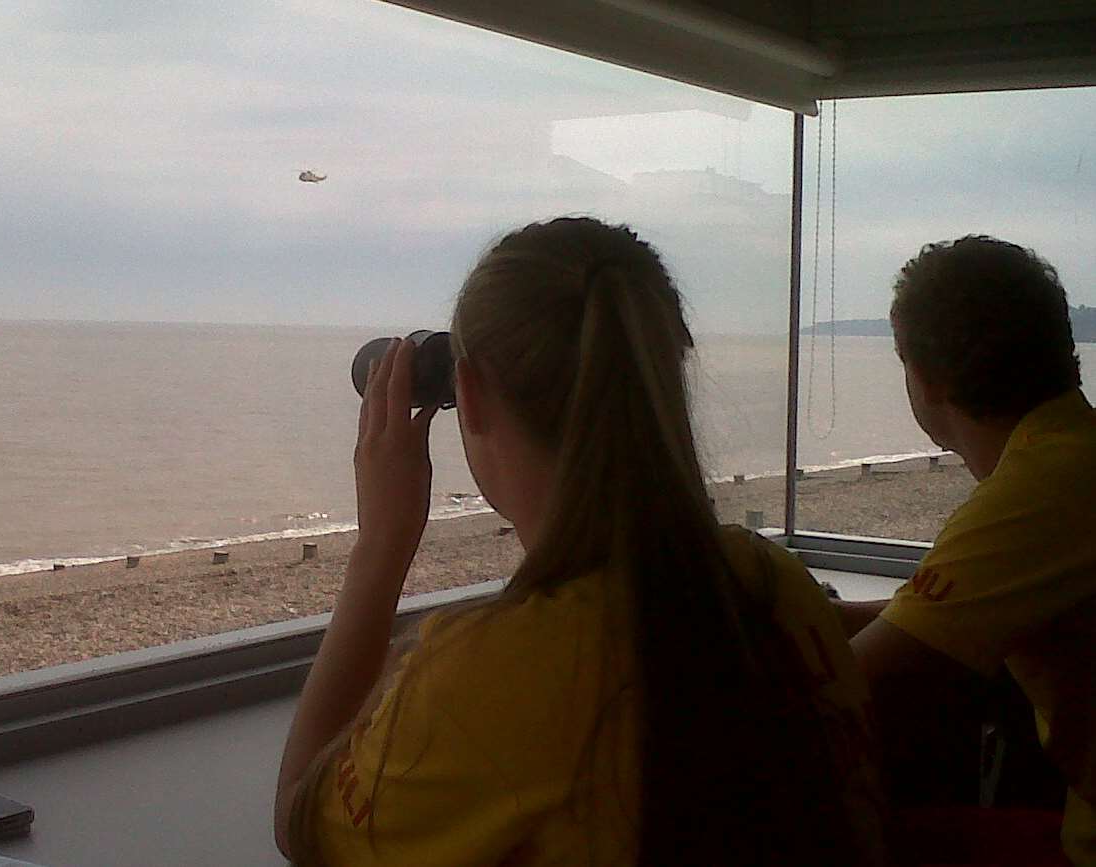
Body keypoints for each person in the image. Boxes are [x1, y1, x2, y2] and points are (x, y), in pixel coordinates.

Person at [274, 217, 885, 865]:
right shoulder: (767, 579)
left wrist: (380, 547)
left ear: (468, 393)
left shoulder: (488, 672)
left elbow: (298, 822)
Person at [836, 236, 1095, 866]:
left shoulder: (1044, 487)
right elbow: (923, 623)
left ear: (926, 379)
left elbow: (852, 685)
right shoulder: (1073, 452)